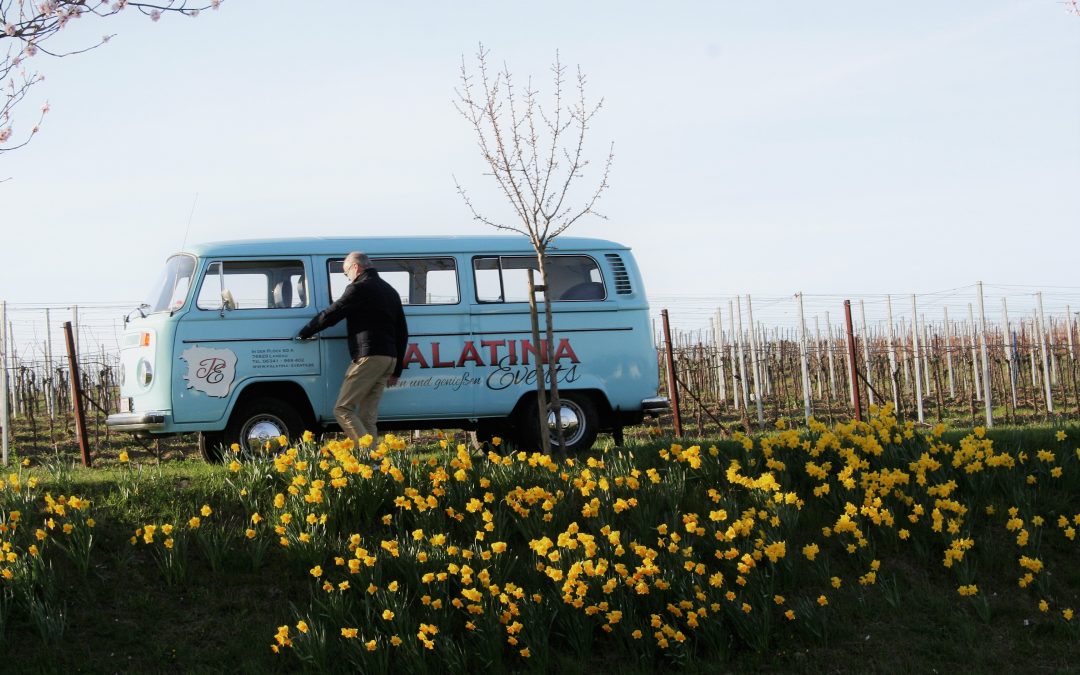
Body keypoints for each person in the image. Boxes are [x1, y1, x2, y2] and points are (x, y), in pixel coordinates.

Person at [297, 252, 408, 449]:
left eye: (346, 271)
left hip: (369, 356)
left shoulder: (359, 288)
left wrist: (306, 331)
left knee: (343, 409)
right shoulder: (390, 290)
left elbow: (332, 313)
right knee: (367, 417)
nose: (346, 276)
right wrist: (397, 368)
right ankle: (374, 464)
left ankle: (368, 454)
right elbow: (402, 332)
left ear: (356, 267)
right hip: (388, 358)